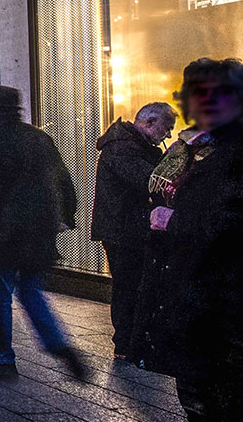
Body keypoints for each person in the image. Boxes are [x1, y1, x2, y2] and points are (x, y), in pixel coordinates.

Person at [133, 59, 243, 422]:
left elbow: (233, 228)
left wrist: (174, 220)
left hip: (226, 324)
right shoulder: (208, 151)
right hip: (207, 318)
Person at [0, 85, 86, 382]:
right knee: (32, 291)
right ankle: (60, 345)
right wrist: (66, 215)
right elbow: (63, 181)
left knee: (0, 296)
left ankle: (3, 360)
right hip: (41, 233)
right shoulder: (39, 138)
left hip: (5, 236)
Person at [90, 101, 174, 363]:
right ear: (148, 122)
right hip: (123, 231)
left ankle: (133, 340)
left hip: (129, 229)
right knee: (128, 286)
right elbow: (149, 181)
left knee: (134, 285)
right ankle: (125, 343)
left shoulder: (134, 146)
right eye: (166, 127)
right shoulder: (122, 148)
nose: (168, 135)